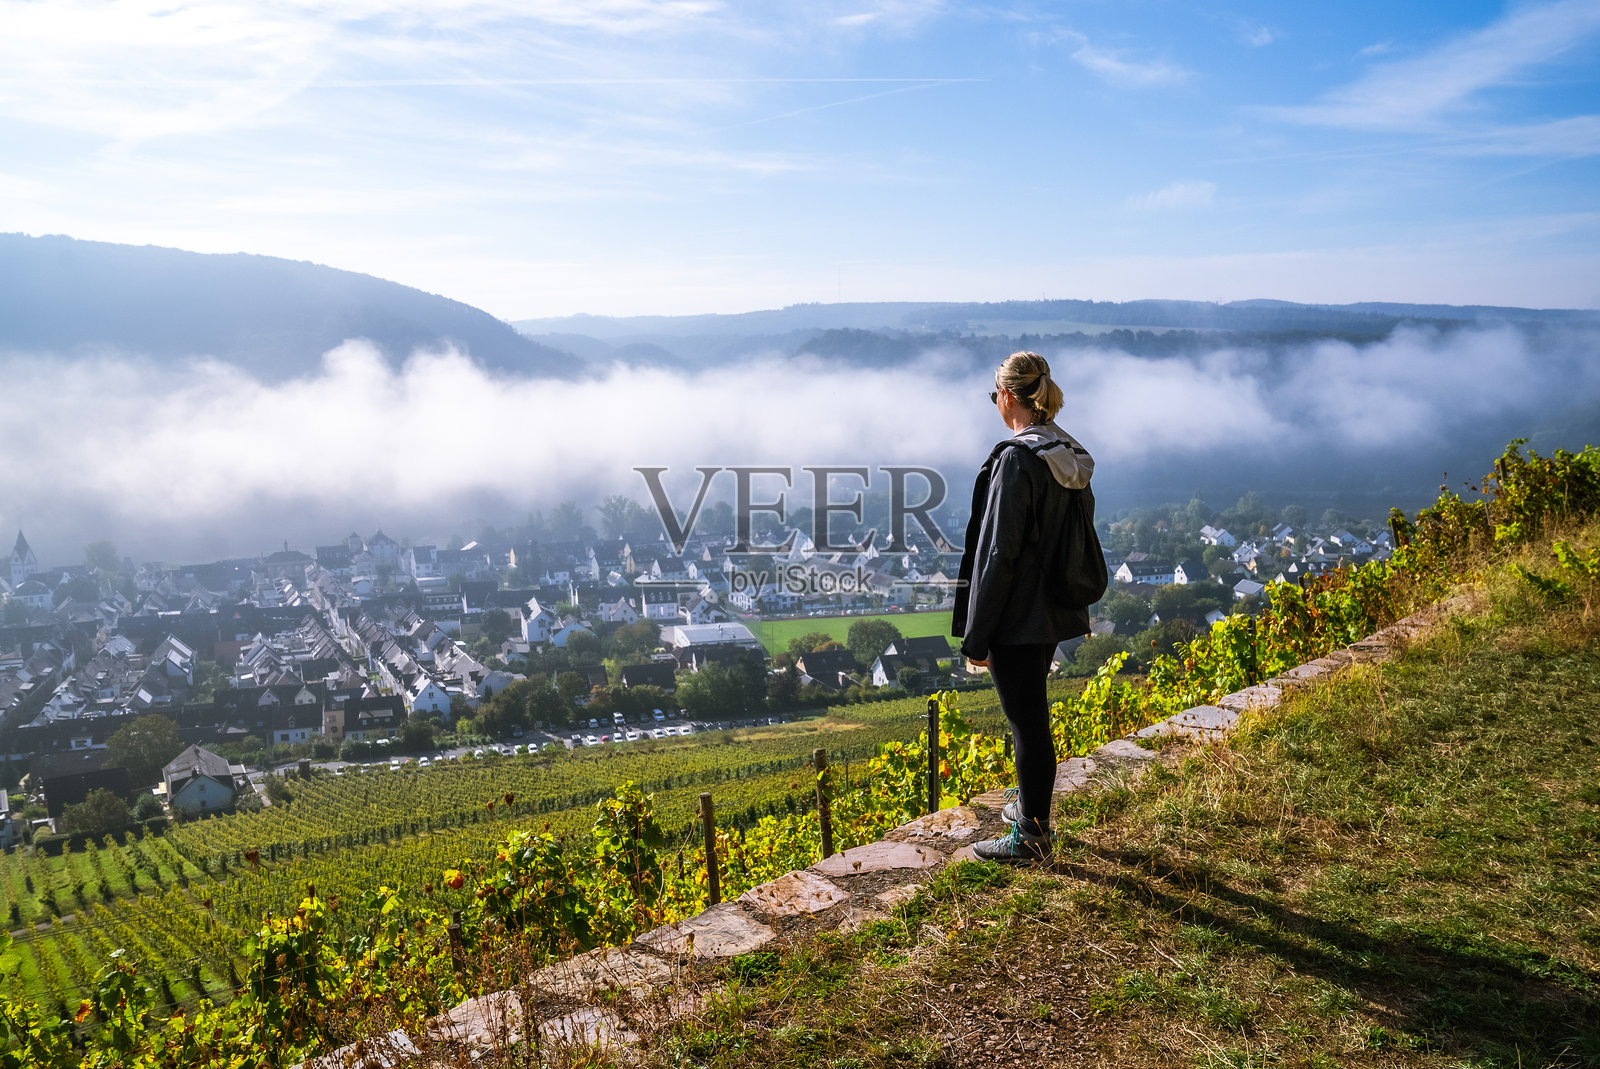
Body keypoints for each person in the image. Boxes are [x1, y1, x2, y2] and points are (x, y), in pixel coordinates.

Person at [952, 351, 1095, 862]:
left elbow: (997, 554)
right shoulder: (1066, 450)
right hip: (1052, 606)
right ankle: (1030, 809)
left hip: (1017, 614)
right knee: (1032, 713)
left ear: (1008, 396)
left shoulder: (1016, 460)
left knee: (1026, 720)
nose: (996, 403)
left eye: (995, 395)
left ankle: (1031, 836)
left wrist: (977, 634)